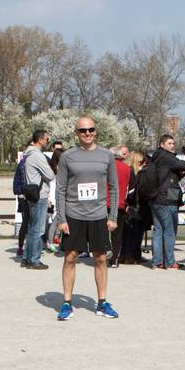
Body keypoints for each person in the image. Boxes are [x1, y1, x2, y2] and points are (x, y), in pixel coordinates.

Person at [55, 116, 119, 320]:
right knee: (70, 257)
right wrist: (61, 218)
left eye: (91, 129)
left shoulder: (106, 155)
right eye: (83, 130)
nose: (88, 133)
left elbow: (114, 187)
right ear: (76, 133)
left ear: (95, 131)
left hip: (99, 215)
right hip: (74, 215)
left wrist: (113, 216)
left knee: (100, 259)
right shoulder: (67, 156)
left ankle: (102, 302)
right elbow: (61, 189)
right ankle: (66, 303)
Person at [150, 134, 185, 270]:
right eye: (169, 143)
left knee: (158, 230)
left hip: (155, 198)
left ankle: (157, 261)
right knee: (169, 231)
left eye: (173, 143)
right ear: (162, 144)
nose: (172, 145)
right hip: (166, 198)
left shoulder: (155, 157)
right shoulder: (166, 157)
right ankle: (170, 262)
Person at [22, 130, 55, 270]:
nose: (48, 142)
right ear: (40, 140)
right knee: (38, 229)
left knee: (31, 228)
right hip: (40, 195)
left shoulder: (28, 154)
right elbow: (50, 175)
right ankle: (34, 260)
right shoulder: (37, 155)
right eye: (47, 139)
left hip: (32, 194)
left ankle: (27, 258)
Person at [121, 150, 149, 265]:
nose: (144, 164)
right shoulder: (132, 173)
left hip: (133, 206)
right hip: (132, 206)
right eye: (142, 162)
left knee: (133, 233)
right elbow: (130, 192)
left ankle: (133, 255)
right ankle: (129, 256)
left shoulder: (133, 172)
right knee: (132, 233)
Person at [107, 145, 131, 268]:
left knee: (103, 231)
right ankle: (114, 259)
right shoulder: (127, 169)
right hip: (120, 203)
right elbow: (130, 188)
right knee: (117, 233)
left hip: (105, 202)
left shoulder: (106, 166)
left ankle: (103, 255)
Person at [13, 140, 31, 259]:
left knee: (29, 222)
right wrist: (21, 192)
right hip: (25, 196)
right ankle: (21, 246)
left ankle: (28, 246)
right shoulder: (23, 164)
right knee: (26, 222)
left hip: (28, 195)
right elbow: (18, 181)